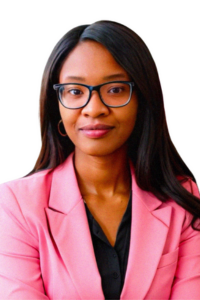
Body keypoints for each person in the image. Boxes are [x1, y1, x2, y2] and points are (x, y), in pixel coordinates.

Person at [0, 20, 200, 300]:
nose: (94, 109)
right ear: (55, 104)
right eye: (75, 91)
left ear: (142, 98)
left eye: (115, 89)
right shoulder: (16, 205)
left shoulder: (182, 196)